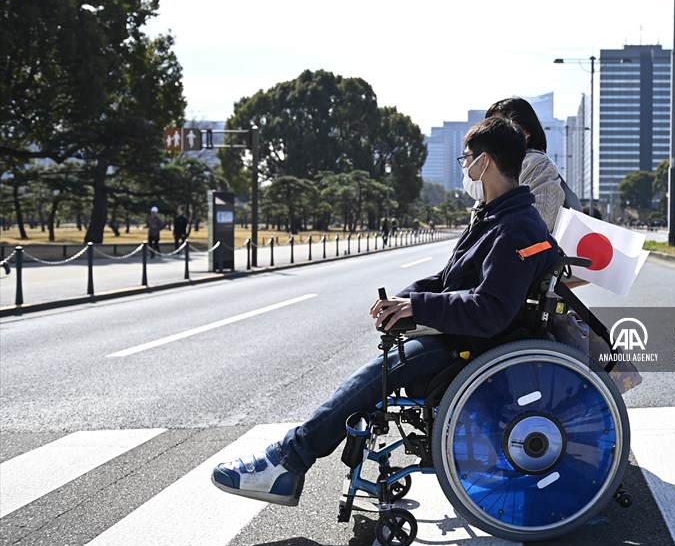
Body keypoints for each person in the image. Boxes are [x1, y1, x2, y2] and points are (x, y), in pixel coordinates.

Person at [211, 115, 560, 506]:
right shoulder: (498, 217)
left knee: (374, 377)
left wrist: (418, 306)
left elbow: (491, 309)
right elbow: (450, 280)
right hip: (463, 338)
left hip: (476, 348)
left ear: (486, 163)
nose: (465, 168)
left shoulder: (516, 228)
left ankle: (289, 461)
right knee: (374, 375)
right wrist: (404, 301)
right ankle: (290, 460)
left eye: (467, 160)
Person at [485, 97, 571, 231]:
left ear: (527, 132)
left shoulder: (537, 163)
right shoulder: (494, 166)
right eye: (489, 129)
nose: (492, 136)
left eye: (501, 128)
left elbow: (540, 223)